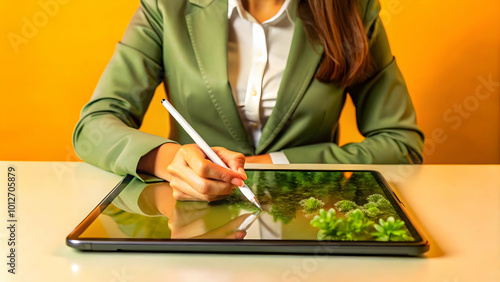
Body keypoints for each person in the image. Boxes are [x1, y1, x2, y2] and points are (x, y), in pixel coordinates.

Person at [73, 0, 424, 202]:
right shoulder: (166, 6)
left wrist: (273, 163)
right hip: (189, 224)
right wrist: (170, 161)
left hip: (310, 223)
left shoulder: (353, 9)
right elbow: (95, 125)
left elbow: (400, 145)